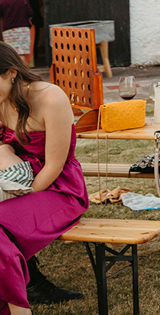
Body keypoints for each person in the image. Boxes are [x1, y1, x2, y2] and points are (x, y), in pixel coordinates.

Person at [0, 42, 89, 315]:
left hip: (58, 188)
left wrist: (23, 195)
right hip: (16, 178)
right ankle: (25, 288)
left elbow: (54, 164)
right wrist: (5, 150)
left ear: (11, 73)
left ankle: (18, 306)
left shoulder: (51, 98)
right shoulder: (2, 100)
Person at [0, 0, 34, 64]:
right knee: (21, 53)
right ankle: (23, 74)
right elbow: (31, 13)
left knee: (11, 54)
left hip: (9, 31)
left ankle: (14, 73)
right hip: (23, 30)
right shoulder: (23, 1)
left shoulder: (2, 2)